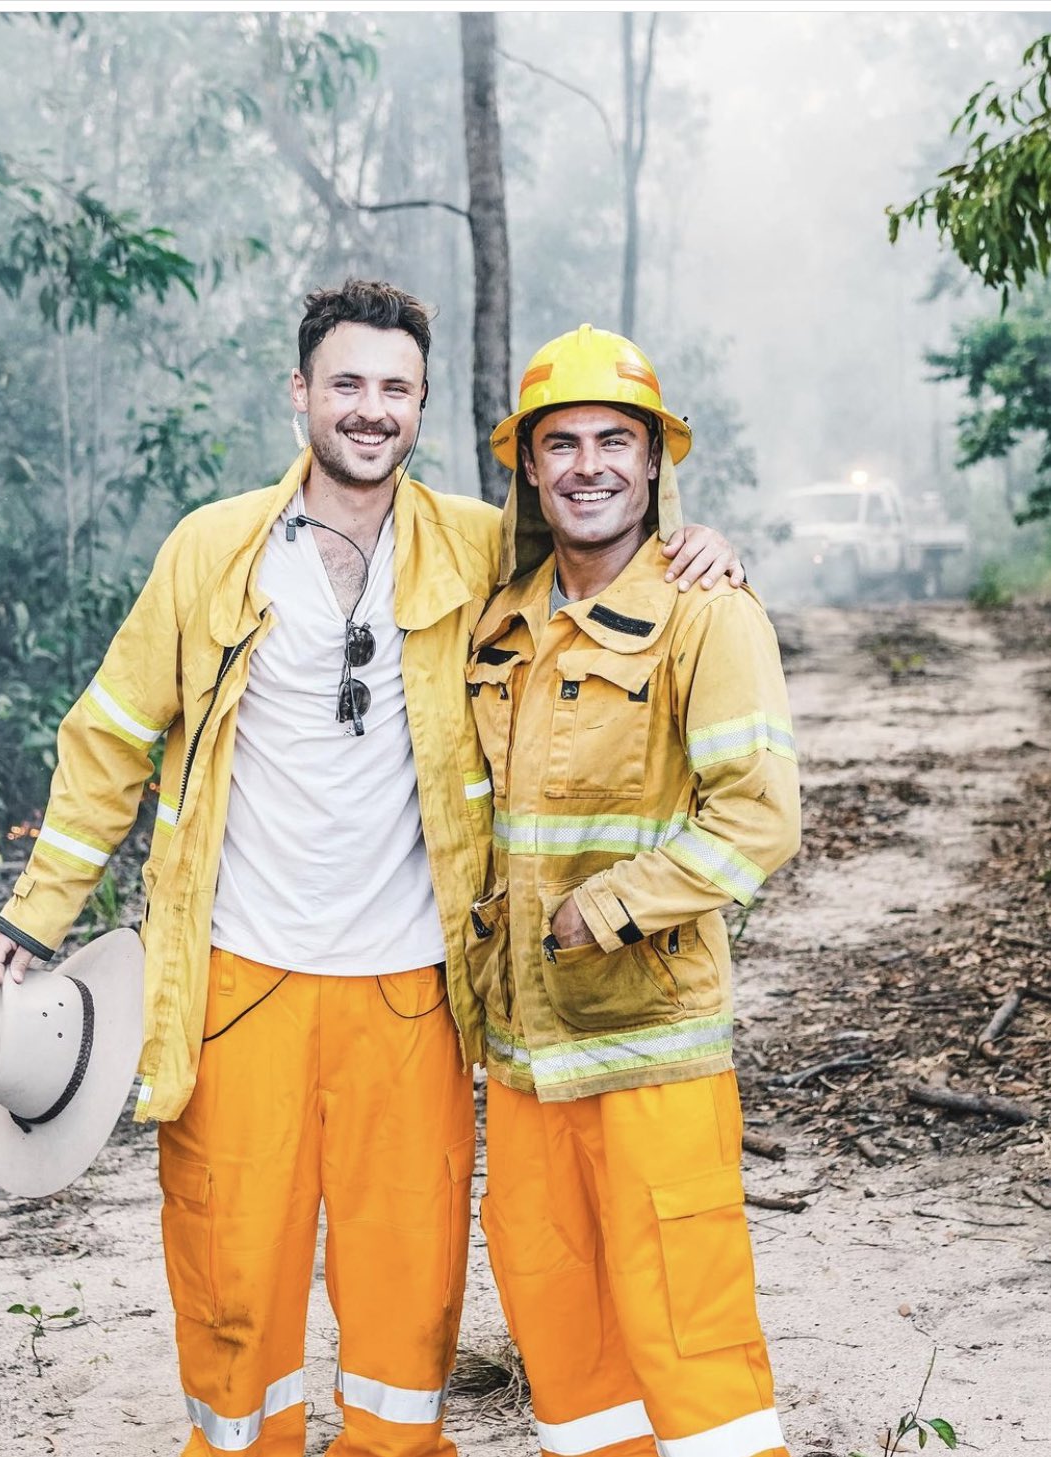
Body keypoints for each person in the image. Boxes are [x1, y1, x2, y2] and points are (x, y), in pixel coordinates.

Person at [0, 281, 744, 1457]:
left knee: (408, 1285)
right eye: (348, 383)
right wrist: (39, 912)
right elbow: (108, 736)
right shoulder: (212, 551)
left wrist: (701, 546)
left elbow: (604, 560)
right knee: (234, 1274)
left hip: (414, 991)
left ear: (421, 405)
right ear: (301, 394)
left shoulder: (479, 547)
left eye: (396, 388)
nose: (370, 408)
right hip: (240, 984)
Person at [465, 324, 800, 1457]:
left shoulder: (708, 610)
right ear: (528, 466)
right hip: (525, 1048)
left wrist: (610, 904)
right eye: (561, 444)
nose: (589, 464)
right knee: (565, 1340)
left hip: (651, 1033)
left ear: (657, 461)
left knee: (689, 1333)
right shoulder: (499, 620)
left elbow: (759, 815)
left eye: (618, 439)